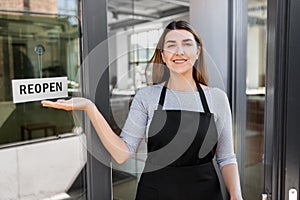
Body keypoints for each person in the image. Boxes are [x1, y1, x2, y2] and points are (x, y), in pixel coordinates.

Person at [42, 20, 243, 200]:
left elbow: (226, 157)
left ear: (197, 52)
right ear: (163, 56)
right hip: (156, 192)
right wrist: (89, 107)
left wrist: (236, 196)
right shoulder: (147, 96)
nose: (179, 51)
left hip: (205, 194)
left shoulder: (216, 98)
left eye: (187, 44)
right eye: (171, 46)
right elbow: (122, 153)